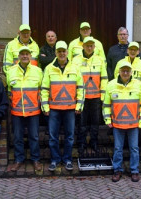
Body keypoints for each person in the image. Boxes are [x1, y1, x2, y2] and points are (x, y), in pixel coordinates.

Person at [41, 41, 84, 172]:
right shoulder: (49, 68)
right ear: (55, 53)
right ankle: (55, 159)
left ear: (67, 52)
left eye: (63, 51)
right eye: (59, 51)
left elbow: (81, 88)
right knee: (53, 137)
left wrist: (79, 106)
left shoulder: (75, 68)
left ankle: (67, 159)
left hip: (70, 109)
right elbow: (44, 89)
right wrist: (45, 107)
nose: (61, 53)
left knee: (69, 137)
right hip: (53, 109)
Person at [103, 60, 141, 182]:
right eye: (123, 70)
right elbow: (106, 105)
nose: (125, 72)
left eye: (127, 70)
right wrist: (107, 119)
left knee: (134, 148)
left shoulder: (138, 85)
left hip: (133, 124)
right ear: (118, 71)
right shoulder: (111, 85)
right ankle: (117, 170)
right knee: (118, 148)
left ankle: (134, 171)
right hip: (117, 124)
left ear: (131, 72)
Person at [7, 46, 43, 172]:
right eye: (22, 54)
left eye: (27, 54)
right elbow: (9, 91)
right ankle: (19, 160)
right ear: (18, 56)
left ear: (30, 56)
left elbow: (42, 90)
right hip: (17, 110)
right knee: (17, 137)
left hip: (33, 110)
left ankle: (35, 160)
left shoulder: (38, 71)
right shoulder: (11, 71)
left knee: (34, 136)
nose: (25, 56)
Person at [71, 36, 108, 155]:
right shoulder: (76, 60)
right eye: (87, 45)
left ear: (94, 47)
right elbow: (73, 79)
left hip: (96, 97)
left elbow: (104, 79)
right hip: (82, 98)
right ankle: (81, 143)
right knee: (82, 123)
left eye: (91, 45)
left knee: (95, 122)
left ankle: (94, 142)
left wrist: (103, 97)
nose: (89, 47)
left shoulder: (100, 60)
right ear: (83, 46)